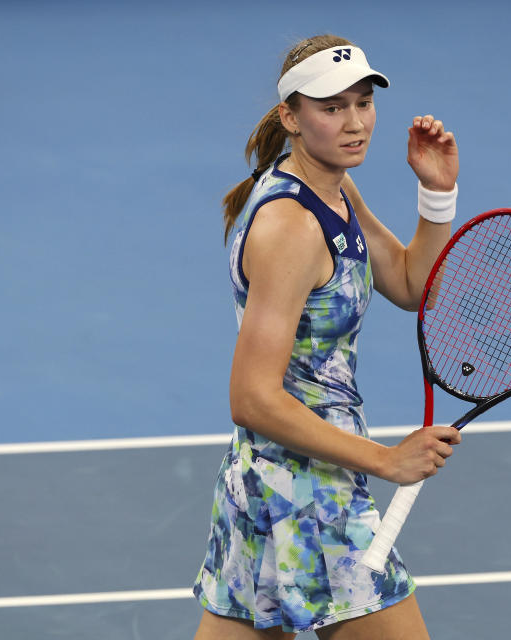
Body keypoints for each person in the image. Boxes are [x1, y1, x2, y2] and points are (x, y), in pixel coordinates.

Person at [193, 34, 463, 639]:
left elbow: (409, 283)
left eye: (363, 103)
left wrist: (436, 193)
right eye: (332, 107)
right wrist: (387, 460)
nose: (354, 122)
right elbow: (253, 397)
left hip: (267, 482)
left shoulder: (331, 191)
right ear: (291, 116)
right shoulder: (291, 227)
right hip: (310, 494)